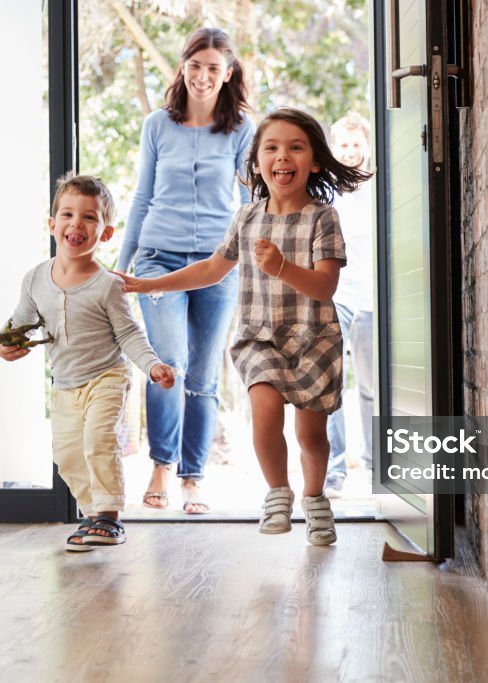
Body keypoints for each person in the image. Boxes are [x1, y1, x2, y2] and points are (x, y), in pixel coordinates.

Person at [117, 108, 372, 545]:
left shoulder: (323, 218)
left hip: (314, 338)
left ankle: (315, 498)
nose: (282, 156)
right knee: (265, 413)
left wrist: (282, 267)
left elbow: (326, 286)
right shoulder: (247, 218)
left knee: (311, 434)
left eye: (295, 147)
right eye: (270, 148)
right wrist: (148, 282)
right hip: (261, 338)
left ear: (313, 160)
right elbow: (212, 269)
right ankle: (277, 492)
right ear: (255, 163)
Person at [0, 172, 176, 551]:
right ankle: (92, 514)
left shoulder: (108, 284)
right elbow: (20, 324)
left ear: (105, 233)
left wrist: (152, 365)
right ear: (52, 225)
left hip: (106, 376)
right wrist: (3, 344)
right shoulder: (34, 279)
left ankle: (109, 518)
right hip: (64, 384)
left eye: (90, 217)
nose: (77, 223)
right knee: (68, 454)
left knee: (98, 440)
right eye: (67, 215)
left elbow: (128, 334)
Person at [115, 27, 255, 514]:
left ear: (228, 73)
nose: (202, 76)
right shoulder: (158, 124)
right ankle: (160, 466)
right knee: (166, 364)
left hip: (219, 265)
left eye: (213, 68)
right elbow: (141, 196)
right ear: (182, 68)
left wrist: (252, 262)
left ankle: (193, 477)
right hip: (158, 259)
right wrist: (121, 265)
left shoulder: (241, 130)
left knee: (203, 373)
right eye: (195, 66)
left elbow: (248, 204)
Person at [324, 113, 376, 498]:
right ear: (333, 148)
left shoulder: (379, 187)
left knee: (371, 388)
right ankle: (334, 471)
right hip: (335, 297)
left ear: (367, 147)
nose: (351, 151)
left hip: (372, 298)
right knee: (332, 386)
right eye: (343, 144)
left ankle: (376, 466)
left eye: (357, 144)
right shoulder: (326, 193)